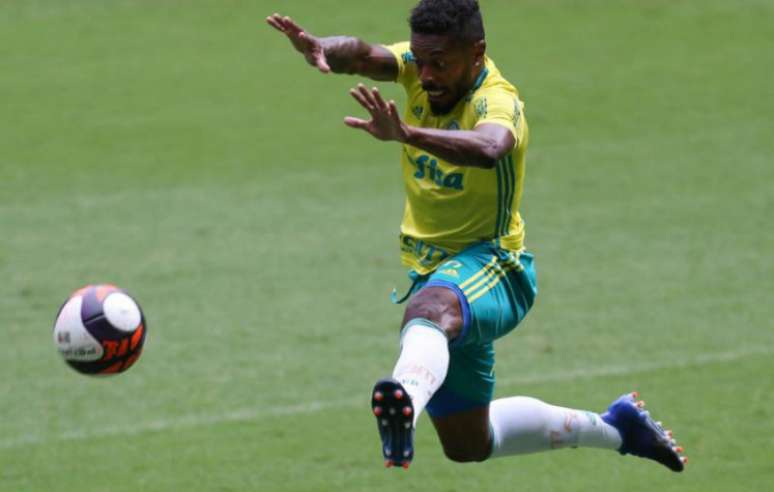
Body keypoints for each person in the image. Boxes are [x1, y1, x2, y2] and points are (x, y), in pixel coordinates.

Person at [267, 0, 686, 472]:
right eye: (421, 62)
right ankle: (618, 429)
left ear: (478, 53)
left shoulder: (498, 100)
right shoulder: (421, 69)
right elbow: (363, 55)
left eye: (440, 63)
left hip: (495, 267)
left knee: (426, 310)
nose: (426, 75)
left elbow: (490, 147)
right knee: (468, 443)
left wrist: (407, 133)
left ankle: (403, 397)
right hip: (439, 274)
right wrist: (323, 48)